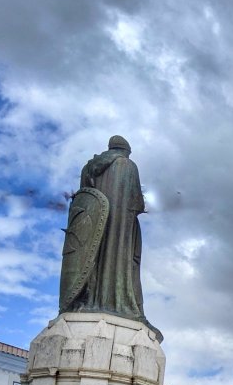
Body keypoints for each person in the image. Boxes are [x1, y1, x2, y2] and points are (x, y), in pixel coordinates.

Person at [59, 135, 161, 340]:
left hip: (93, 229)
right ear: (126, 150)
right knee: (120, 265)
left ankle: (89, 299)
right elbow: (136, 203)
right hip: (121, 230)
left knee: (93, 259)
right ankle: (117, 302)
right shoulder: (128, 165)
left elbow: (85, 197)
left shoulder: (89, 168)